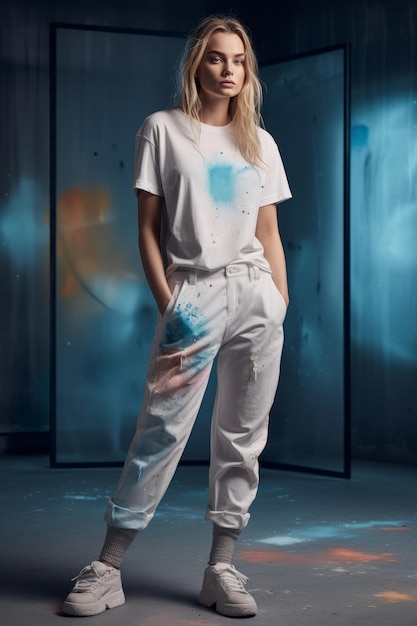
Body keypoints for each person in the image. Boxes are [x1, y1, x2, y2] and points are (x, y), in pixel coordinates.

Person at [62, 13, 291, 619]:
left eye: (238, 60)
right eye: (217, 58)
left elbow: (269, 232)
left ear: (249, 71)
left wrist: (280, 302)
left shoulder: (260, 142)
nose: (228, 70)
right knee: (160, 432)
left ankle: (221, 568)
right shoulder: (162, 130)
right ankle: (107, 568)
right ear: (197, 63)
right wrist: (172, 307)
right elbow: (147, 231)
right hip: (192, 295)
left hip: (256, 298)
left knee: (243, 437)